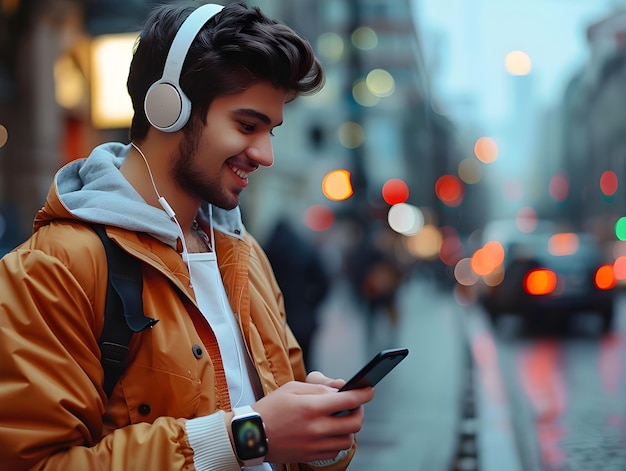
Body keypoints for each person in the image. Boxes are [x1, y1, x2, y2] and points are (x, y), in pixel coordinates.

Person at [0, 2, 374, 470]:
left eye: (271, 131)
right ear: (168, 107)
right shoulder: (53, 269)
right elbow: (35, 463)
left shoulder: (245, 257)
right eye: (247, 125)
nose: (265, 154)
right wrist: (246, 437)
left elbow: (277, 441)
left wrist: (320, 434)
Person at [264, 218, 330, 370]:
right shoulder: (305, 249)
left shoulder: (267, 251)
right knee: (306, 363)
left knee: (280, 366)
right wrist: (311, 303)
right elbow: (324, 282)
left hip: (277, 320)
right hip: (304, 319)